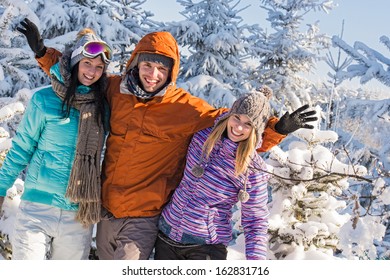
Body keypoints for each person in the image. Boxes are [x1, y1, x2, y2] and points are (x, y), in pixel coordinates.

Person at [18, 18, 317, 260]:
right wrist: (44, 53)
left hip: (145, 215)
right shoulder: (115, 90)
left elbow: (236, 130)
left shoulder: (186, 109)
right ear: (135, 63)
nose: (153, 74)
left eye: (162, 68)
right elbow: (81, 74)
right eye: (147, 65)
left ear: (171, 72)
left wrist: (276, 128)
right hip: (106, 209)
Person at [0, 27, 112, 259]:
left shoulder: (103, 107)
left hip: (78, 213)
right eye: (87, 64)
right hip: (36, 208)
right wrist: (1, 188)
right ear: (75, 63)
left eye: (99, 67)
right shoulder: (44, 100)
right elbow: (22, 148)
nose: (92, 72)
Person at [154, 86, 274, 260]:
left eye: (248, 124)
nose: (238, 127)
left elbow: (255, 222)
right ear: (229, 115)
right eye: (237, 118)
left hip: (205, 247)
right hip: (166, 236)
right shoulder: (202, 136)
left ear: (256, 130)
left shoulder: (252, 170)